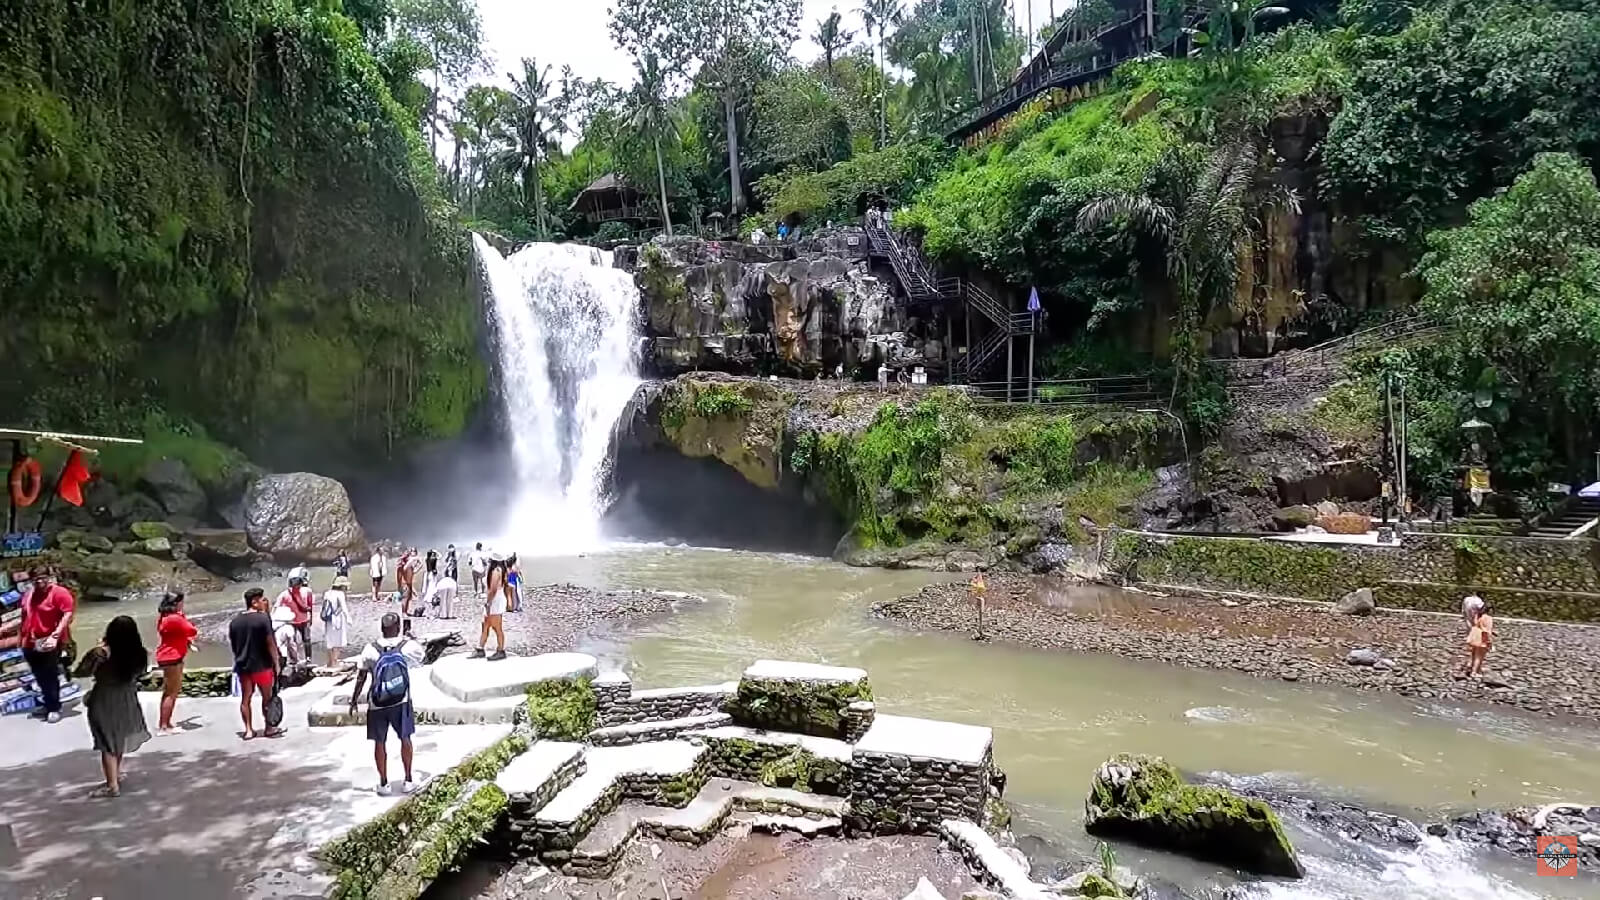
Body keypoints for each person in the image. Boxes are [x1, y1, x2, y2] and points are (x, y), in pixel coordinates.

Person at [349, 612, 425, 795]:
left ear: (381, 629)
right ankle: (408, 780)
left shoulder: (370, 649)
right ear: (398, 628)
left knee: (379, 742)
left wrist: (354, 700)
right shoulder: (408, 647)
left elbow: (361, 676)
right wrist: (410, 637)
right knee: (405, 738)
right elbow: (422, 656)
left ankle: (383, 783)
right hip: (401, 701)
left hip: (377, 704)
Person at [78, 615, 150, 798]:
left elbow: (81, 672)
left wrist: (98, 647)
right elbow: (141, 674)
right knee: (118, 736)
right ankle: (115, 775)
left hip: (104, 697)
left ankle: (112, 786)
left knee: (106, 741)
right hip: (127, 697)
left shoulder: (101, 653)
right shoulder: (140, 653)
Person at [19, 564, 74, 723]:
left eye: (43, 578)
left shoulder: (59, 593)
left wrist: (56, 636)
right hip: (30, 641)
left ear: (49, 578)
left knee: (50, 675)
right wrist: (21, 639)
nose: (40, 582)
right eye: (36, 579)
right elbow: (25, 617)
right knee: (39, 676)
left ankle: (54, 707)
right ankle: (47, 702)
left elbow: (67, 614)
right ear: (31, 580)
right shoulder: (29, 595)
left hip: (49, 641)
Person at [229, 589, 281, 739]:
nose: (264, 602)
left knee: (246, 699)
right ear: (254, 602)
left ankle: (248, 730)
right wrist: (276, 662)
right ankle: (269, 728)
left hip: (243, 666)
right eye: (261, 600)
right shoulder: (263, 619)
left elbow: (234, 646)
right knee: (267, 697)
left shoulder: (235, 622)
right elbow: (270, 642)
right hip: (262, 665)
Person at [154, 592, 198, 734]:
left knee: (170, 691)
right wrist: (182, 616)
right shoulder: (174, 618)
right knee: (171, 692)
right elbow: (192, 630)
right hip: (172, 657)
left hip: (167, 655)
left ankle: (166, 723)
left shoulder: (165, 617)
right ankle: (164, 726)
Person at [471, 554, 508, 661]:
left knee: (496, 627)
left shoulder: (496, 571)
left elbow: (493, 589)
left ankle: (500, 650)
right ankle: (480, 648)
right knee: (485, 624)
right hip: (496, 599)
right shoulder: (501, 569)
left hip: (495, 601)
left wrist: (488, 603)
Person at [276, 576, 315, 658]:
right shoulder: (284, 595)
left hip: (305, 620)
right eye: (294, 587)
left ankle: (308, 658)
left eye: (298, 586)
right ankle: (295, 659)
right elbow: (276, 607)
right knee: (292, 641)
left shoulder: (307, 592)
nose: (296, 588)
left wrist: (311, 618)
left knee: (306, 640)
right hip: (291, 622)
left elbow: (310, 605)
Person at [321, 576, 351, 668]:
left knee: (330, 641)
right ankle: (335, 662)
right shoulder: (340, 594)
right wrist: (348, 618)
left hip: (329, 620)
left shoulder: (327, 593)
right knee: (339, 641)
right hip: (338, 619)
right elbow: (344, 608)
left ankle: (330, 662)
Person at [1465, 601, 1495, 677]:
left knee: (1474, 654)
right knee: (1480, 656)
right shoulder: (1488, 618)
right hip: (1482, 637)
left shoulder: (1478, 615)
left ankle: (1472, 668)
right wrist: (1490, 642)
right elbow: (1488, 631)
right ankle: (1474, 672)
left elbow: (1476, 624)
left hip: (1475, 635)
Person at [272, 604, 305, 669]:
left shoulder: (271, 624)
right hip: (282, 654)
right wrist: (296, 659)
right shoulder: (288, 628)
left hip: (271, 653)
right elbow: (291, 646)